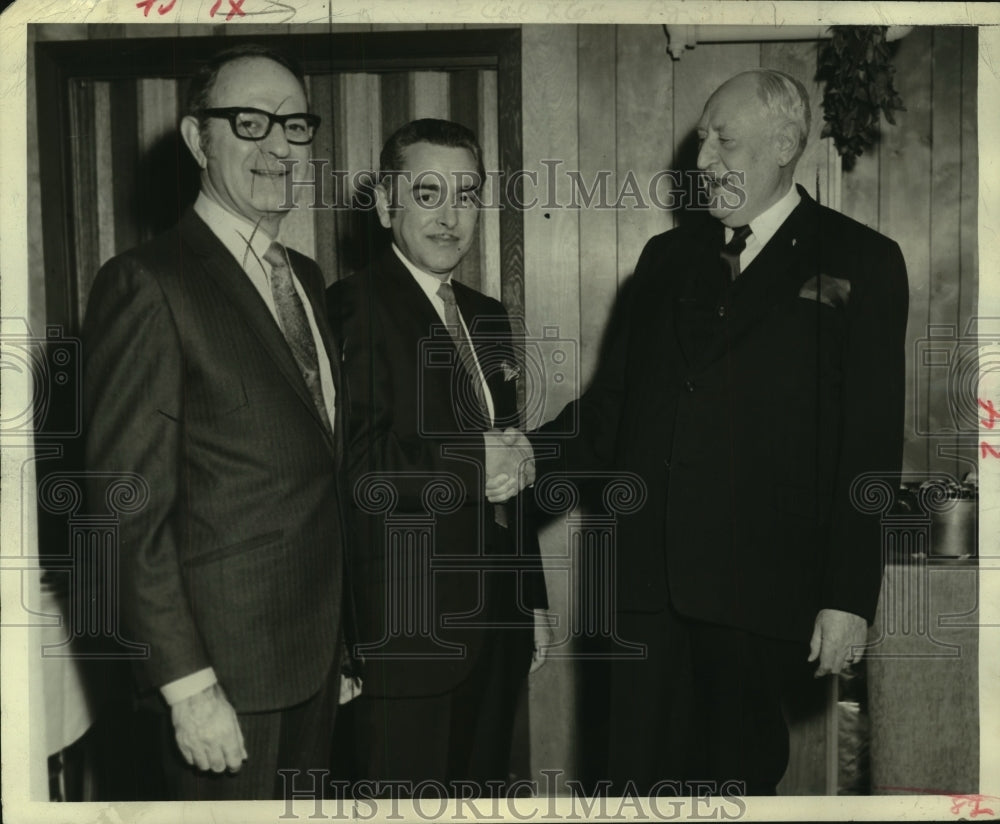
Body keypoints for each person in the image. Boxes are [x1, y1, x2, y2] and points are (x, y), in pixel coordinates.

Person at [531, 69, 909, 795]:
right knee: (631, 791)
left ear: (785, 144)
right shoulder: (665, 261)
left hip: (757, 597)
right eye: (702, 137)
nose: (702, 158)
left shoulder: (861, 260)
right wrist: (524, 461)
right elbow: (611, 413)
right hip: (645, 593)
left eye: (723, 139)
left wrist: (850, 596)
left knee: (732, 789)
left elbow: (870, 445)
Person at [82, 44, 357, 800]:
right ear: (197, 138)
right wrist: (186, 686)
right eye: (249, 122)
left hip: (312, 667)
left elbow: (315, 471)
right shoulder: (148, 282)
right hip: (220, 682)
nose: (278, 145)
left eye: (296, 126)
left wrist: (342, 647)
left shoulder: (302, 276)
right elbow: (122, 506)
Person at [326, 118, 549, 793]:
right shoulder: (351, 309)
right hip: (405, 639)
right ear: (388, 205)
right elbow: (358, 471)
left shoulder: (486, 315)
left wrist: (530, 597)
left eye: (468, 194)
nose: (452, 216)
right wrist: (472, 467)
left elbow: (510, 465)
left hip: (497, 629)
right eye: (428, 194)